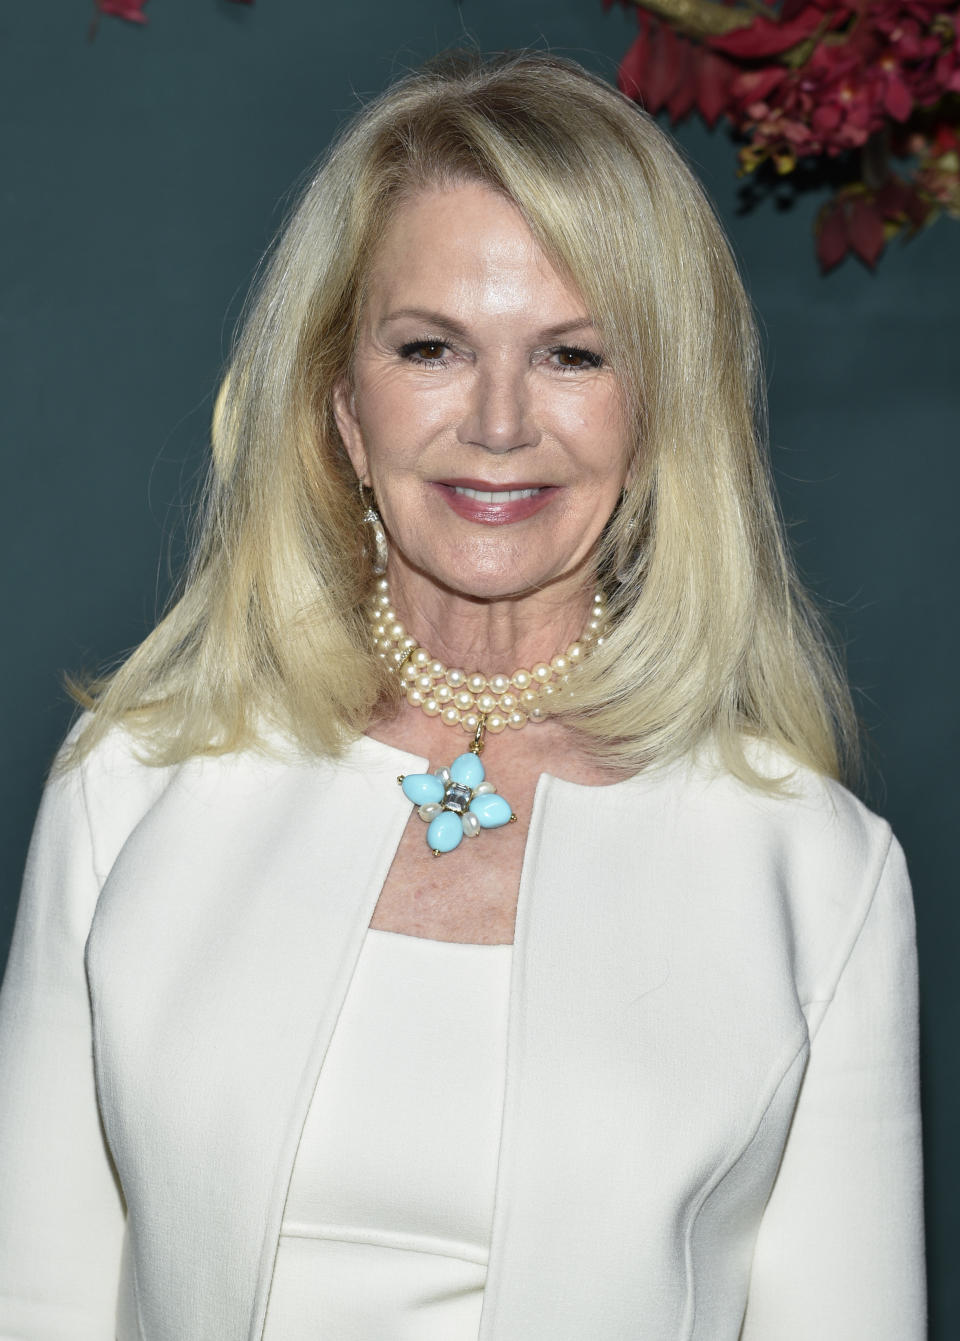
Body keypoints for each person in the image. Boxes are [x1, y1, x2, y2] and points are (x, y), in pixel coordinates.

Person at [0, 50, 924, 1341]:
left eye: (573, 354)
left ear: (659, 414)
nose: (499, 421)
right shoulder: (132, 782)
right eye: (432, 346)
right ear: (341, 403)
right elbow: (35, 1298)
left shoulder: (817, 873)